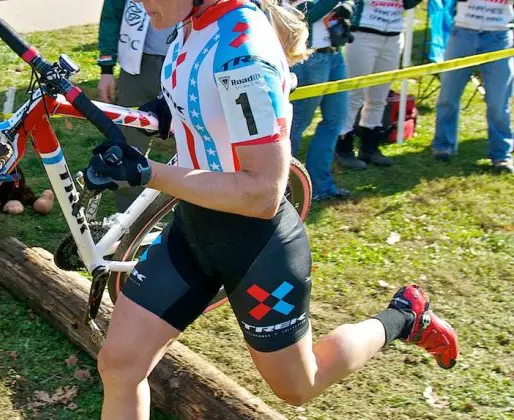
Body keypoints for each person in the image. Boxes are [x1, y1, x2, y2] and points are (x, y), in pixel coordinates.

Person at [83, 1, 459, 418]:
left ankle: (404, 317)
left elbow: (261, 194)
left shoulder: (243, 50)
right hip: (193, 228)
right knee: (120, 364)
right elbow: (200, 102)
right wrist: (160, 112)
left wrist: (146, 172)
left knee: (300, 385)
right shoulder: (191, 22)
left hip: (255, 247)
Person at [98, 0, 175, 211]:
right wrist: (106, 69)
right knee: (127, 143)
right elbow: (111, 16)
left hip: (184, 61)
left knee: (194, 141)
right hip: (136, 66)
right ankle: (127, 216)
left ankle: (193, 211)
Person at [335, 0, 424, 168]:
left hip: (394, 36)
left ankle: (369, 147)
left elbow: (408, 3)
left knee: (379, 96)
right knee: (355, 94)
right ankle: (343, 147)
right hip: (363, 34)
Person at [431, 0, 513, 174]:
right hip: (462, 32)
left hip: (499, 35)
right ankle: (443, 146)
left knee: (498, 102)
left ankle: (501, 155)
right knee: (448, 96)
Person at [289, 0, 355, 200]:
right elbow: (300, 15)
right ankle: (285, 188)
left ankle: (321, 186)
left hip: (335, 54)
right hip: (309, 59)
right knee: (296, 125)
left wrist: (349, 6)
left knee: (335, 121)